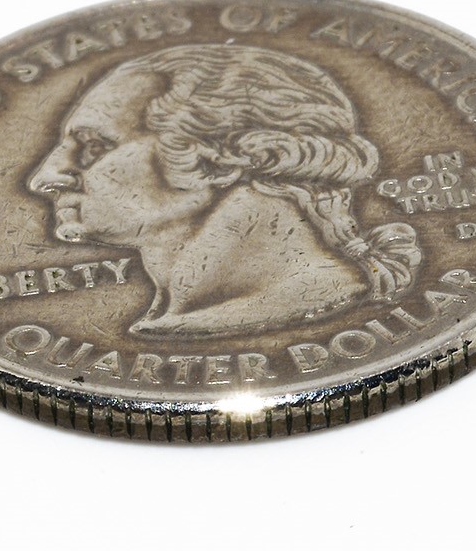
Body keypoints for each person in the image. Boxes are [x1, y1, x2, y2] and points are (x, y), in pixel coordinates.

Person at [28, 44, 421, 338]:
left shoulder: (299, 303)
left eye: (95, 146)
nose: (45, 178)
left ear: (219, 159)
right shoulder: (173, 319)